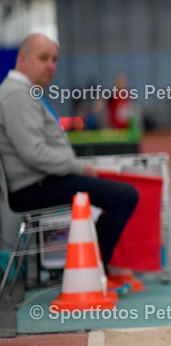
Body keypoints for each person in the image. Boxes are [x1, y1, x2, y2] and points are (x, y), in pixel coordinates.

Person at [0, 33, 139, 288]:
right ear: (22, 58)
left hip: (41, 181)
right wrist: (80, 168)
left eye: (54, 59)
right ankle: (92, 270)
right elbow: (34, 153)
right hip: (33, 187)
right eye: (43, 58)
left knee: (117, 193)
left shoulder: (22, 93)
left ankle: (91, 267)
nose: (51, 66)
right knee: (125, 195)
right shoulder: (16, 95)